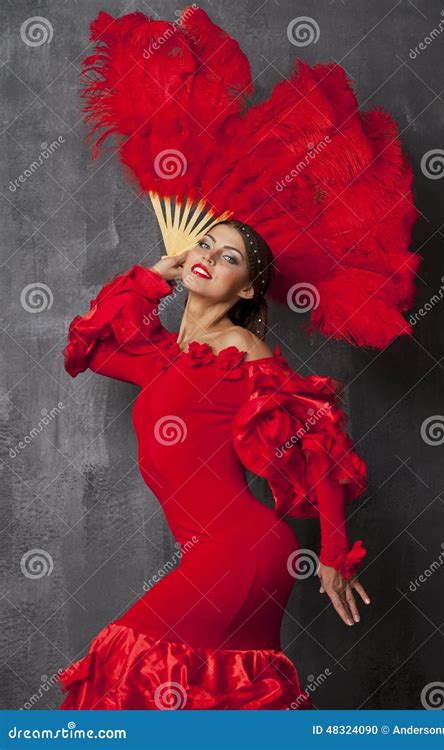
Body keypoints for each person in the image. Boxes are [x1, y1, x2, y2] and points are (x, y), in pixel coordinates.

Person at [58, 220, 370, 710]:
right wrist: (152, 277)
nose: (209, 255)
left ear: (246, 287)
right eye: (206, 244)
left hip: (241, 552)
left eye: (231, 257)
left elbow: (317, 444)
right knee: (212, 705)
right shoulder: (162, 356)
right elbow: (90, 345)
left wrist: (333, 554)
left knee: (126, 671)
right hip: (216, 555)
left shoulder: (240, 351)